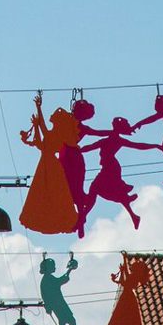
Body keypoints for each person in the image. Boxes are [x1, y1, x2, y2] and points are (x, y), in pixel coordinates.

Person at [78, 117, 161, 233]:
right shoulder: (111, 140)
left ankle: (82, 217)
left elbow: (138, 146)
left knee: (95, 189)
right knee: (113, 192)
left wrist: (155, 146)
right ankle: (133, 216)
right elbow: (89, 147)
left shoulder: (111, 140)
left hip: (110, 168)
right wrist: (76, 150)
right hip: (110, 167)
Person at [18, 95, 79, 234]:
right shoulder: (54, 135)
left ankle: (51, 219)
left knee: (51, 192)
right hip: (47, 163)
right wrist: (36, 123)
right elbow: (41, 142)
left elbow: (43, 128)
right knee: (43, 192)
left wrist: (38, 108)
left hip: (49, 164)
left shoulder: (56, 135)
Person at [59, 97, 112, 234]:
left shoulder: (67, 123)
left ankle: (79, 218)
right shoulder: (79, 126)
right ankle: (79, 217)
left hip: (68, 157)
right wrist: (115, 132)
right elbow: (100, 132)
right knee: (74, 188)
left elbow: (100, 133)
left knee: (71, 188)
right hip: (72, 157)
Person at [38, 255, 88, 325]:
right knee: (68, 319)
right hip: (57, 303)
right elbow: (60, 281)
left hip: (58, 303)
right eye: (52, 266)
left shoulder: (47, 278)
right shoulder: (47, 279)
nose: (54, 267)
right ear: (48, 268)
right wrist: (70, 270)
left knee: (64, 320)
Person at [104, 253, 150, 325]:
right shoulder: (133, 276)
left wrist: (124, 262)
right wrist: (124, 261)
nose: (131, 268)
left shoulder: (134, 277)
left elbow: (125, 281)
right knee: (122, 314)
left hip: (127, 296)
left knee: (123, 314)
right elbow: (125, 276)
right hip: (127, 295)